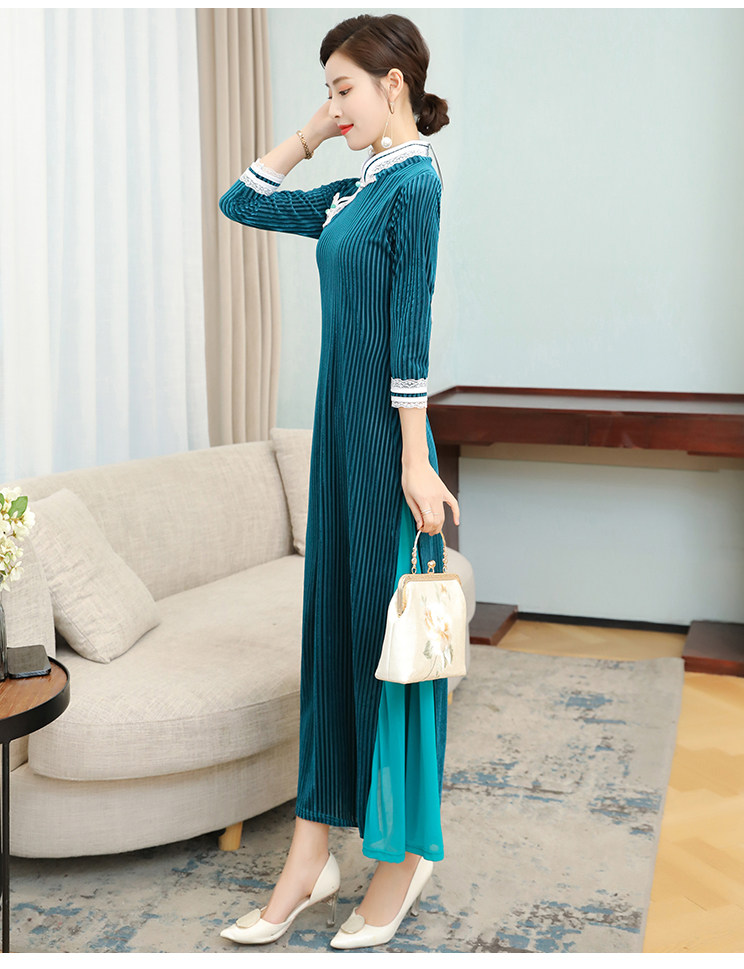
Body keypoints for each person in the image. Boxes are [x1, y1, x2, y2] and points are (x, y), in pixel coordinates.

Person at [217, 13, 459, 950]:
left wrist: (414, 458)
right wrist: (315, 131)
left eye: (344, 88)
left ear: (394, 84)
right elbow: (242, 201)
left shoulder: (415, 184)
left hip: (384, 449)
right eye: (327, 89)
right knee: (330, 642)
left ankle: (403, 858)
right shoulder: (356, 188)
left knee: (385, 649)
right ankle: (311, 855)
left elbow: (410, 329)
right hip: (338, 443)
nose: (334, 104)